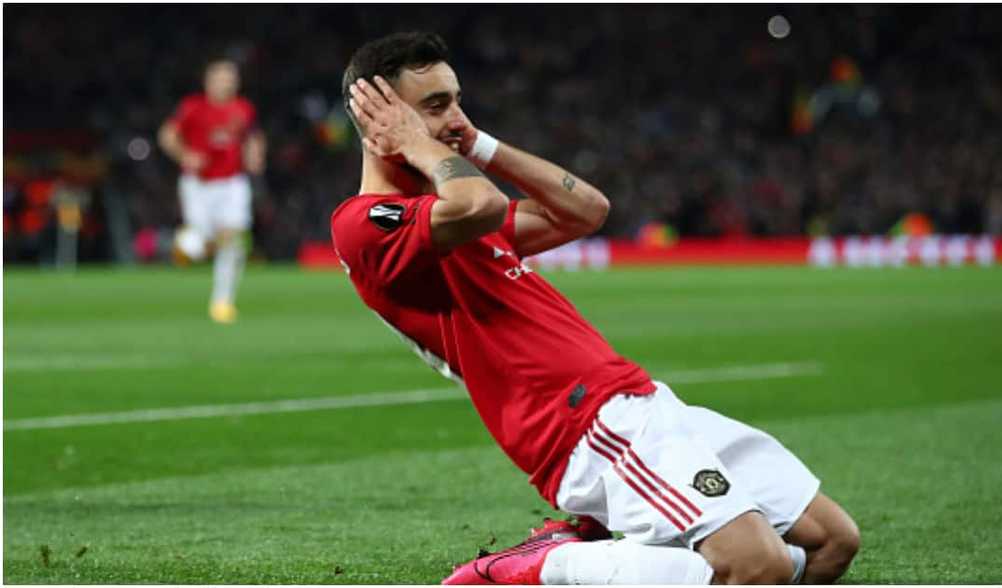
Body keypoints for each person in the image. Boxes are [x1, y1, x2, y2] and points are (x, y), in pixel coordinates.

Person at [332, 32, 859, 585]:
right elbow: (481, 202)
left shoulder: (454, 215)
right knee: (757, 564)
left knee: (831, 543)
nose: (457, 118)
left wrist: (479, 144)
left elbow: (585, 210)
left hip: (636, 398)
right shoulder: (365, 223)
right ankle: (549, 565)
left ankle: (614, 556)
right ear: (378, 118)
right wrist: (414, 142)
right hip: (577, 421)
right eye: (436, 106)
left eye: (458, 101)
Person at [158, 58, 266, 324]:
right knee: (200, 244)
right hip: (198, 184)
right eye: (221, 78)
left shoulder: (243, 108)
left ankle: (222, 302)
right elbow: (167, 135)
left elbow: (253, 136)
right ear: (208, 82)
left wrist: (255, 155)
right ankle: (180, 242)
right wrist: (185, 155)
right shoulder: (192, 107)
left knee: (235, 239)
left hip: (233, 183)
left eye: (231, 78)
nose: (226, 83)